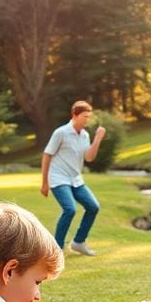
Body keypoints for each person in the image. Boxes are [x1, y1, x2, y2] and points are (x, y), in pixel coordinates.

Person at [40, 100, 106, 256]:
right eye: (85, 116)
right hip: (58, 178)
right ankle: (57, 249)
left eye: (89, 117)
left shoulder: (85, 135)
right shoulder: (61, 133)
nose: (87, 120)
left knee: (93, 207)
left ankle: (78, 243)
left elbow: (89, 158)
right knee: (70, 209)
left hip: (76, 179)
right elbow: (47, 155)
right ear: (75, 115)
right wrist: (45, 182)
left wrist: (97, 139)